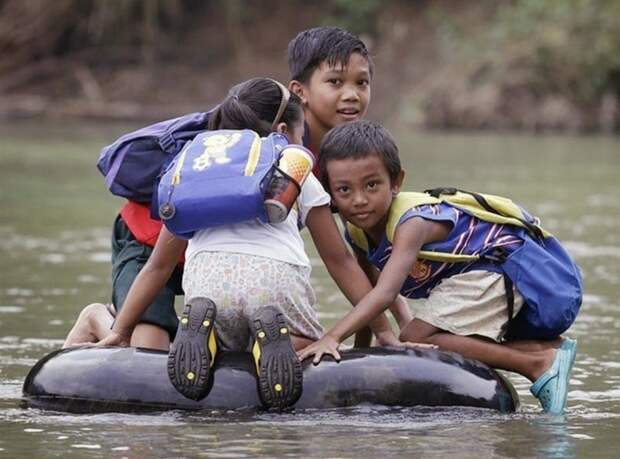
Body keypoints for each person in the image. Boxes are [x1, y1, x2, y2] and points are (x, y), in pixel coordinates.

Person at [86, 78, 429, 411]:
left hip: (208, 288)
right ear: (284, 132)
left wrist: (121, 331)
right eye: (300, 133)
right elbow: (340, 260)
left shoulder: (196, 170)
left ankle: (208, 341)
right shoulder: (293, 168)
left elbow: (157, 267)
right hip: (274, 288)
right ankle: (268, 347)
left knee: (220, 333)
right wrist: (383, 331)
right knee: (305, 344)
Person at [79, 26, 410, 350]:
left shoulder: (343, 157)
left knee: (211, 335)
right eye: (336, 82)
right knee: (148, 349)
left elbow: (359, 247)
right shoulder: (276, 139)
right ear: (300, 92)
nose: (351, 94)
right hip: (149, 241)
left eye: (361, 83)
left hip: (217, 261)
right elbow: (342, 259)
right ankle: (97, 319)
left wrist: (392, 330)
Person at [297, 120, 582, 415]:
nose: (359, 200)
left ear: (396, 182)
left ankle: (536, 364)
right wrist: (364, 353)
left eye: (372, 185)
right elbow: (370, 292)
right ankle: (541, 351)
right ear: (330, 193)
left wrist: (332, 338)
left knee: (415, 337)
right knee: (414, 336)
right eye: (344, 190)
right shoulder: (356, 231)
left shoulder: (412, 223)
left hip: (504, 268)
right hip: (477, 277)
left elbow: (384, 292)